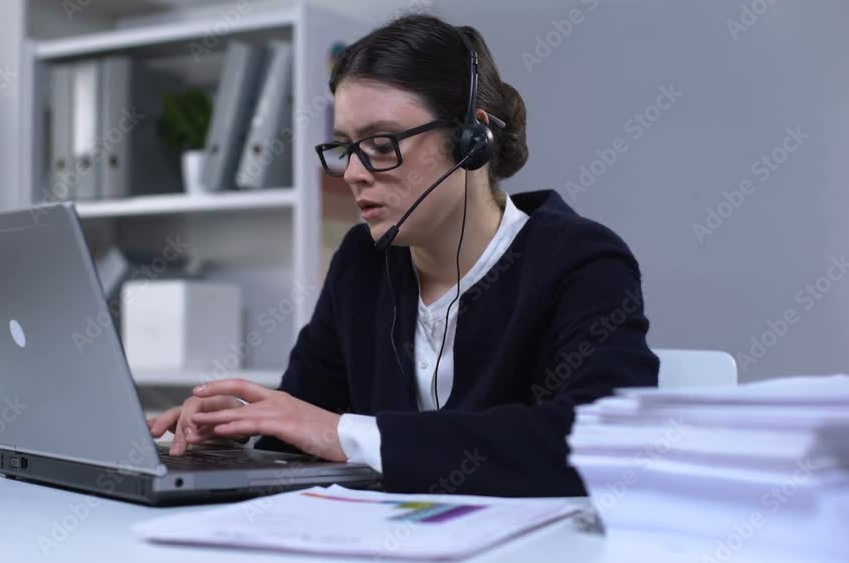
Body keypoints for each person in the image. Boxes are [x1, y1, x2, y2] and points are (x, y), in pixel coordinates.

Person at [148, 14, 659, 497]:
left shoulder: (582, 261)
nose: (353, 173)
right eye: (347, 146)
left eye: (382, 142)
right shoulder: (362, 261)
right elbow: (308, 421)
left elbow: (602, 444)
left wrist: (345, 435)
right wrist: (237, 433)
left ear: (471, 140)